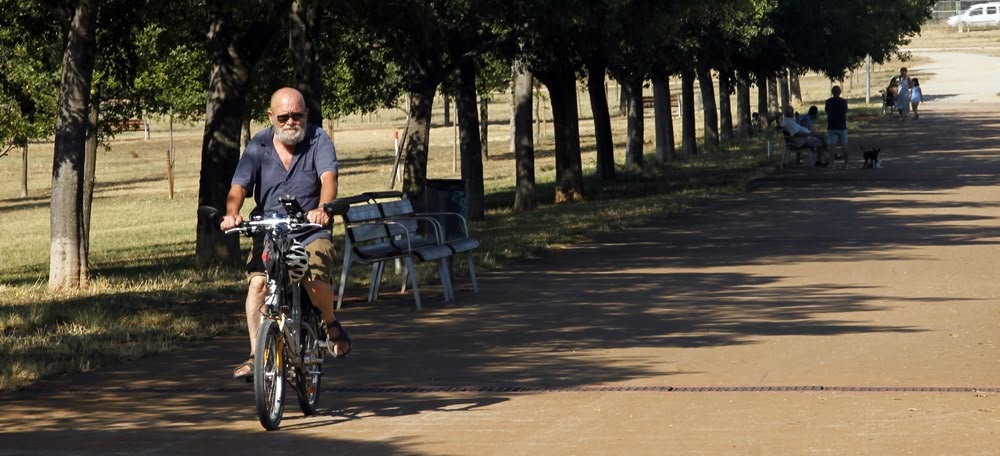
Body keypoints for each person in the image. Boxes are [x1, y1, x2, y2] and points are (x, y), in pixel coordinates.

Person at [221, 87, 352, 380]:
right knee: (257, 286)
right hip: (270, 230)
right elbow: (239, 186)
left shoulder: (318, 139)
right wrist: (232, 212)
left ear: (305, 114)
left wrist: (324, 208)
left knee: (312, 273)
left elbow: (328, 178)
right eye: (283, 117)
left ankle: (330, 322)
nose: (291, 122)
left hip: (309, 229)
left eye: (296, 115)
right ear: (271, 117)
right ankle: (256, 355)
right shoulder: (258, 145)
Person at [824, 85, 849, 165]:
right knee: (844, 146)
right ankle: (846, 164)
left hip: (831, 126)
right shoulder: (843, 102)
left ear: (832, 92)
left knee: (832, 146)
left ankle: (832, 164)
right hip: (842, 126)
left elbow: (827, 111)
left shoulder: (828, 101)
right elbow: (845, 111)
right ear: (840, 92)